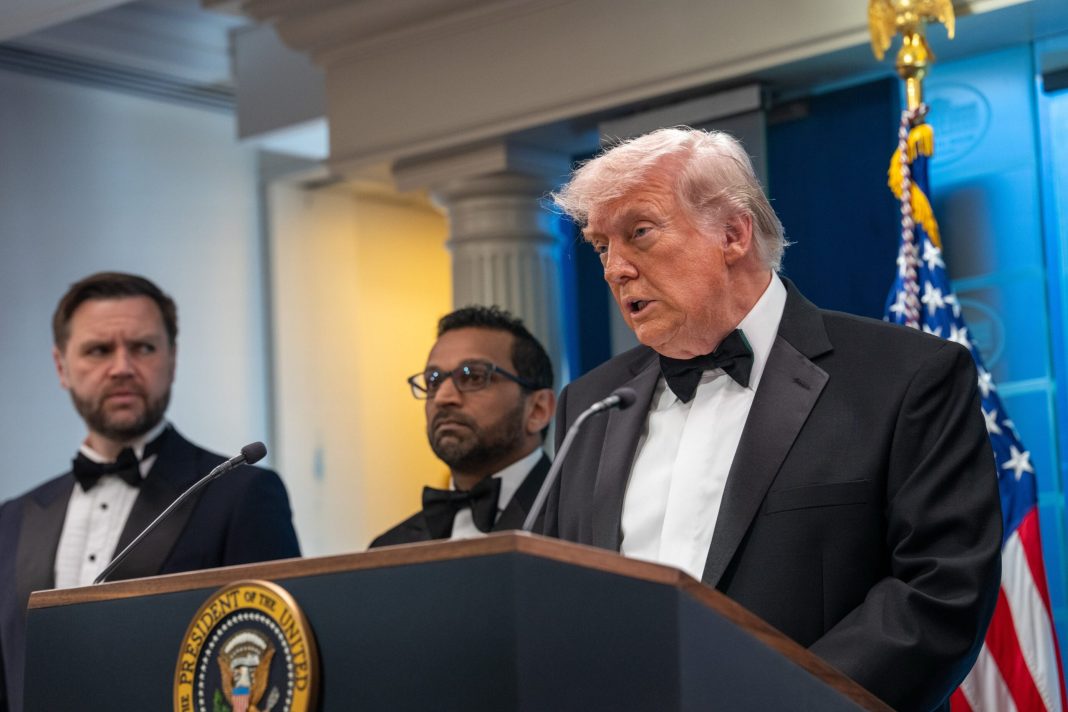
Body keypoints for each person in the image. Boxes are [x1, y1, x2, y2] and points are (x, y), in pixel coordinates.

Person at [544, 127, 1001, 712]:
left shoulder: (906, 377)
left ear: (733, 234)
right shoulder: (590, 404)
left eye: (639, 233)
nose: (614, 269)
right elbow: (561, 601)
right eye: (601, 245)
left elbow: (938, 594)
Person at [0, 272, 300, 712]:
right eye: (98, 350)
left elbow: (276, 667)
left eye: (142, 347)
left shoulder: (242, 493)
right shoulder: (12, 519)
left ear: (173, 359)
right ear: (61, 366)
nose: (122, 366)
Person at [370, 306, 555, 547]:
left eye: (473, 377)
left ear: (538, 410)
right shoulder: (388, 548)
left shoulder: (589, 523)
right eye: (433, 381)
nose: (443, 398)